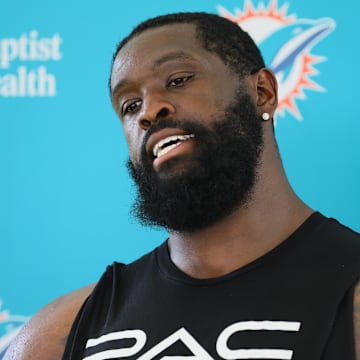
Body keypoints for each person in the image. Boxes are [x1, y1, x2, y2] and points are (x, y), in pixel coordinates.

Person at [5, 12, 360, 360]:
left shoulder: (351, 297)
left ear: (262, 92)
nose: (148, 111)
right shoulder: (58, 335)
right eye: (130, 105)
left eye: (177, 80)